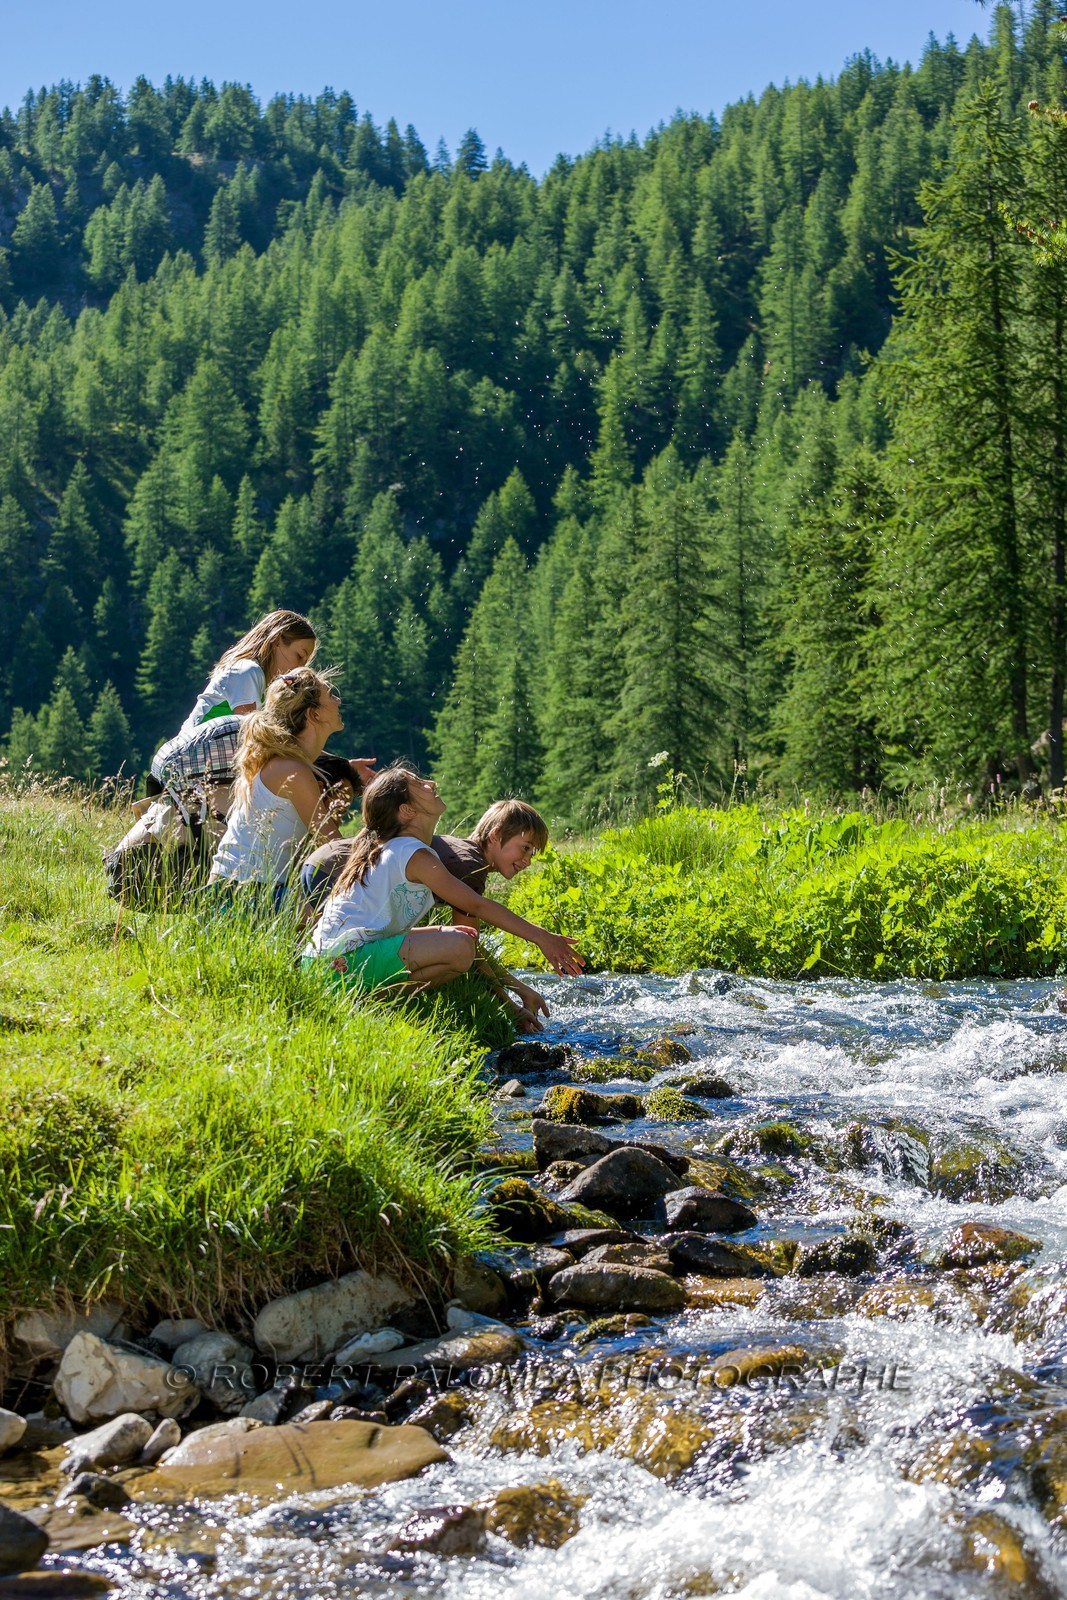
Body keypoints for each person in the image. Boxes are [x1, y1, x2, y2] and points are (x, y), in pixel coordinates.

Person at [302, 766, 584, 997]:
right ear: (407, 811)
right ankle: (369, 1000)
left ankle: (362, 997)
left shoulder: (402, 849)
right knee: (460, 949)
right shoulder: (412, 853)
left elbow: (375, 928)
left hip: (323, 964)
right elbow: (476, 904)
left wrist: (437, 930)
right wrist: (542, 937)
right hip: (338, 963)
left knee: (459, 941)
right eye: (418, 784)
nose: (431, 783)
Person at [300, 797, 554, 1029]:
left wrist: (518, 988)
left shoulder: (466, 856)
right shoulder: (470, 867)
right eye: (525, 848)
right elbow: (472, 951)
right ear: (496, 835)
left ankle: (352, 995)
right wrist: (511, 1006)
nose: (528, 860)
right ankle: (363, 1000)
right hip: (333, 867)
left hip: (321, 860)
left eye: (532, 853)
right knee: (455, 949)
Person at [208, 667, 368, 907]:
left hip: (240, 889)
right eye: (331, 695)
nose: (338, 701)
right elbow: (333, 847)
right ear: (314, 714)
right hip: (240, 894)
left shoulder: (284, 761)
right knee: (349, 910)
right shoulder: (292, 770)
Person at [142, 610, 319, 810]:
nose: (299, 669)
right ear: (277, 640)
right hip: (189, 764)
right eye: (299, 656)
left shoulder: (258, 682)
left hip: (193, 765)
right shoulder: (248, 672)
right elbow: (253, 738)